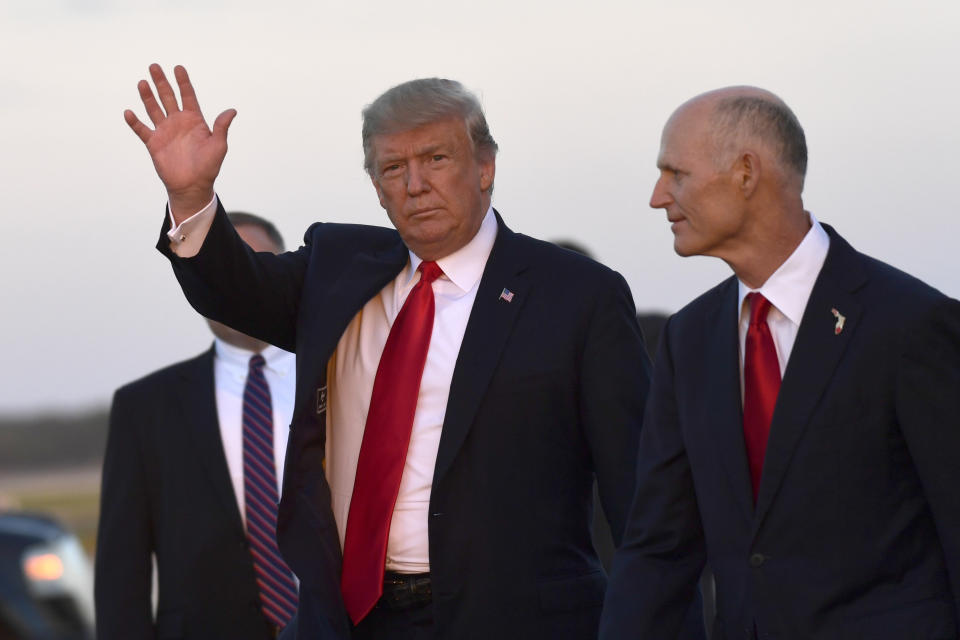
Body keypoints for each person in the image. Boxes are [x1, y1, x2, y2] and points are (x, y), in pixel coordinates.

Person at [123, 64, 654, 639]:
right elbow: (234, 291)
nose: (415, 184)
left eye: (436, 159)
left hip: (519, 619)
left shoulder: (576, 295)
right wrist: (192, 196)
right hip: (355, 620)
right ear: (376, 187)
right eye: (393, 168)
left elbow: (641, 501)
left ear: (485, 167)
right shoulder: (338, 270)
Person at [600, 86, 960, 639]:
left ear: (746, 172)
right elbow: (659, 547)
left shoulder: (910, 324)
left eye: (676, 173)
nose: (657, 196)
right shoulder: (688, 339)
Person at [95, 212, 299, 639]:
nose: (239, 287)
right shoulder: (144, 408)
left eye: (254, 268)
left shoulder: (349, 379)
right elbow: (121, 573)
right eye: (222, 273)